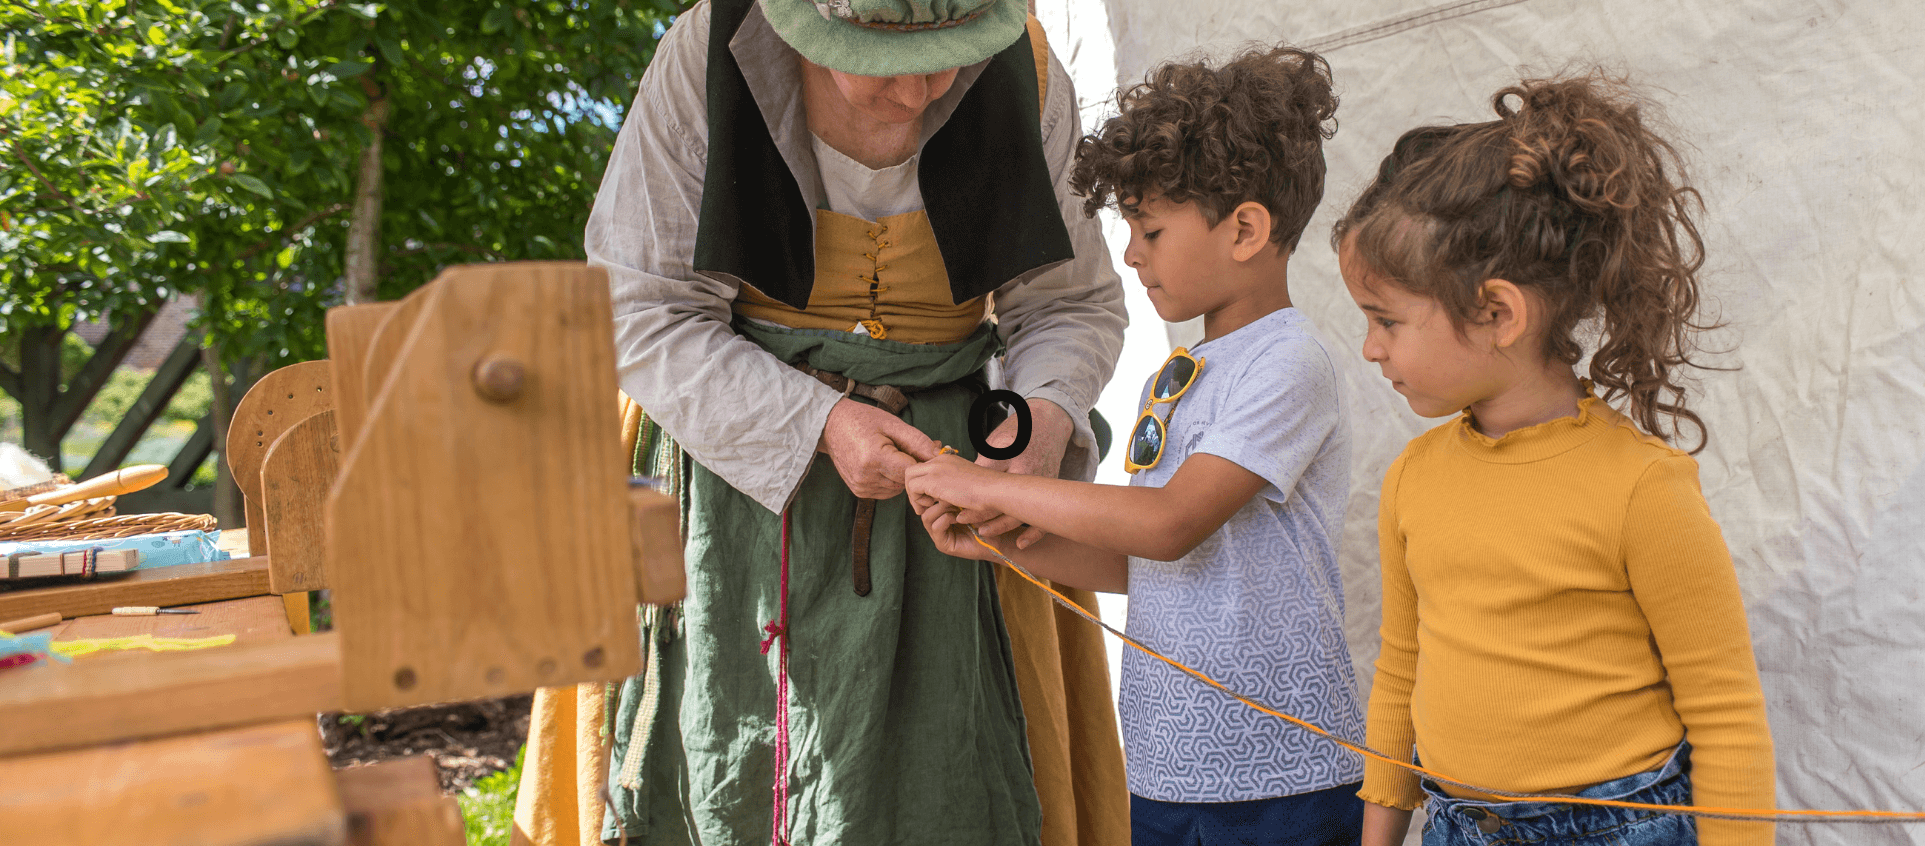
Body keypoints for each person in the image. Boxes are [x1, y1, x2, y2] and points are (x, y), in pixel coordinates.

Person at [511, 1, 1132, 845]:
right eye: (879, 62)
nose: (915, 94)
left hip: (957, 497)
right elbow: (636, 306)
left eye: (946, 60)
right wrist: (820, 422)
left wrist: (1032, 430)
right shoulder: (710, 51)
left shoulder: (1025, 62)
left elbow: (1069, 303)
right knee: (731, 762)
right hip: (735, 472)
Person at [906, 46, 1369, 846]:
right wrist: (1005, 545)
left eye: (1149, 229)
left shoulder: (1291, 360)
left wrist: (996, 489)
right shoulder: (1178, 372)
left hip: (1282, 779)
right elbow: (1149, 567)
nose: (1129, 253)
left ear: (1247, 229)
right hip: (1162, 770)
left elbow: (1166, 524)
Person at [1334, 73, 1776, 846]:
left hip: (1615, 830)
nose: (1370, 349)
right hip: (1455, 827)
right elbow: (1399, 675)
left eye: (1386, 321)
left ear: (1499, 313)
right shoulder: (1412, 479)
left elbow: (1727, 714)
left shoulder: (1641, 489)